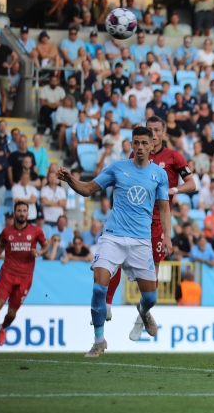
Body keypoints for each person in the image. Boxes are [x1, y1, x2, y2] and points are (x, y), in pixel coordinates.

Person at [57, 126, 171, 357]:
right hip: (113, 236)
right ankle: (99, 340)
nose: (139, 147)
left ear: (151, 146)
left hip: (141, 242)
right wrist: (70, 180)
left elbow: (164, 208)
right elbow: (88, 189)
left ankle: (144, 311)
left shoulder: (159, 175)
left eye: (143, 143)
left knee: (150, 297)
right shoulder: (118, 168)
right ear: (131, 145)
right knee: (99, 287)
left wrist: (167, 235)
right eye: (135, 142)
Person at [104, 116, 196, 339]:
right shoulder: (136, 155)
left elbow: (192, 184)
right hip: (134, 219)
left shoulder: (174, 157)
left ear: (163, 133)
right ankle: (106, 303)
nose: (153, 134)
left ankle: (142, 315)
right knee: (116, 260)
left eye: (156, 130)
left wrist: (172, 191)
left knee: (152, 272)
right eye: (149, 130)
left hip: (157, 222)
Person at [0, 202, 48, 346]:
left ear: (28, 214)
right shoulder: (7, 232)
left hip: (25, 277)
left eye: (24, 210)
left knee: (12, 313)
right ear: (15, 213)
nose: (22, 213)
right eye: (19, 210)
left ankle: (3, 327)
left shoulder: (36, 231)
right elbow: (1, 247)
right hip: (7, 273)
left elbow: (46, 246)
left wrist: (40, 252)